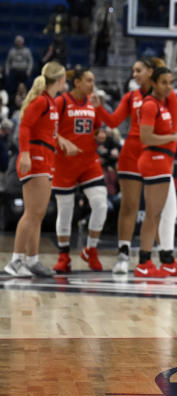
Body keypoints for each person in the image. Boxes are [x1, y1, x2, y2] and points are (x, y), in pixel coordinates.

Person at [97, 58, 177, 276]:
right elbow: (112, 121)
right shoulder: (132, 97)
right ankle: (124, 254)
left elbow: (174, 130)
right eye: (133, 71)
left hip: (158, 157)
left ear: (150, 72)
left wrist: (171, 161)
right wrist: (98, 108)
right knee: (130, 206)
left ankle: (164, 258)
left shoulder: (168, 98)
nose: (134, 74)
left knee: (163, 211)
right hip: (133, 155)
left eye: (138, 70)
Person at [4, 62, 66, 277]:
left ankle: (32, 260)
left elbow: (47, 132)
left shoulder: (51, 102)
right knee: (31, 214)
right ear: (60, 80)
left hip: (46, 158)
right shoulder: (40, 101)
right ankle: (15, 261)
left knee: (38, 214)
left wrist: (63, 143)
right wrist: (26, 154)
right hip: (36, 158)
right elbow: (25, 127)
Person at [51, 68, 110, 273]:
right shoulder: (61, 102)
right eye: (88, 80)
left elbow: (97, 127)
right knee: (65, 210)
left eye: (93, 80)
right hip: (64, 163)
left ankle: (91, 249)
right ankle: (63, 255)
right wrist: (62, 140)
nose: (92, 84)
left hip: (89, 163)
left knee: (101, 205)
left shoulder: (93, 103)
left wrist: (100, 134)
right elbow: (49, 129)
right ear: (76, 82)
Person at [132, 67, 177, 277]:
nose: (169, 87)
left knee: (168, 212)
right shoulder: (149, 105)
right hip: (153, 158)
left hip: (161, 160)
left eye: (171, 83)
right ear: (154, 83)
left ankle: (166, 261)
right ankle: (144, 263)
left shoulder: (161, 105)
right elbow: (146, 138)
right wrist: (172, 137)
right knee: (152, 215)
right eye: (164, 82)